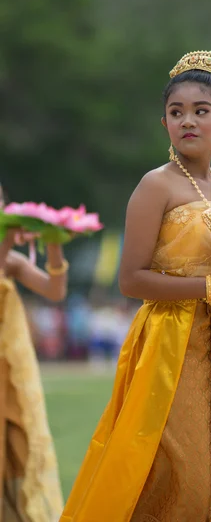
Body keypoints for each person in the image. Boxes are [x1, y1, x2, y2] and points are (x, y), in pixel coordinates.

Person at [60, 50, 211, 522]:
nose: (188, 121)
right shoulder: (156, 186)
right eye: (176, 112)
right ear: (163, 122)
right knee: (177, 466)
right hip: (172, 346)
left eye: (200, 111)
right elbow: (131, 279)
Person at [0, 183, 67, 521]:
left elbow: (54, 291)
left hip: (8, 377)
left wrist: (53, 243)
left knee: (16, 450)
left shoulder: (11, 260)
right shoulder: (6, 255)